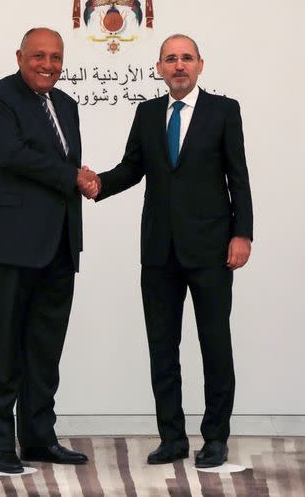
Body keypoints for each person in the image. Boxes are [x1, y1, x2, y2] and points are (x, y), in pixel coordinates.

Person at [89, 34, 253, 468]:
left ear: (201, 65)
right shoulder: (146, 113)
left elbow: (239, 176)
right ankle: (172, 438)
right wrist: (98, 184)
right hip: (159, 251)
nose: (178, 65)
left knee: (215, 346)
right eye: (170, 59)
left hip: (212, 250)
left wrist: (243, 234)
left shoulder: (224, 111)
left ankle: (215, 438)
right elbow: (132, 167)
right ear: (159, 68)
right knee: (163, 348)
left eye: (186, 58)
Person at [0, 27, 99, 474]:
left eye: (56, 57)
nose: (48, 65)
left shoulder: (68, 105)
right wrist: (74, 176)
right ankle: (0, 446)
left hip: (56, 244)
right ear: (20, 56)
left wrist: (82, 179)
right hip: (3, 241)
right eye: (38, 56)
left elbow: (64, 165)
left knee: (44, 347)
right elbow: (12, 155)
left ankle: (38, 438)